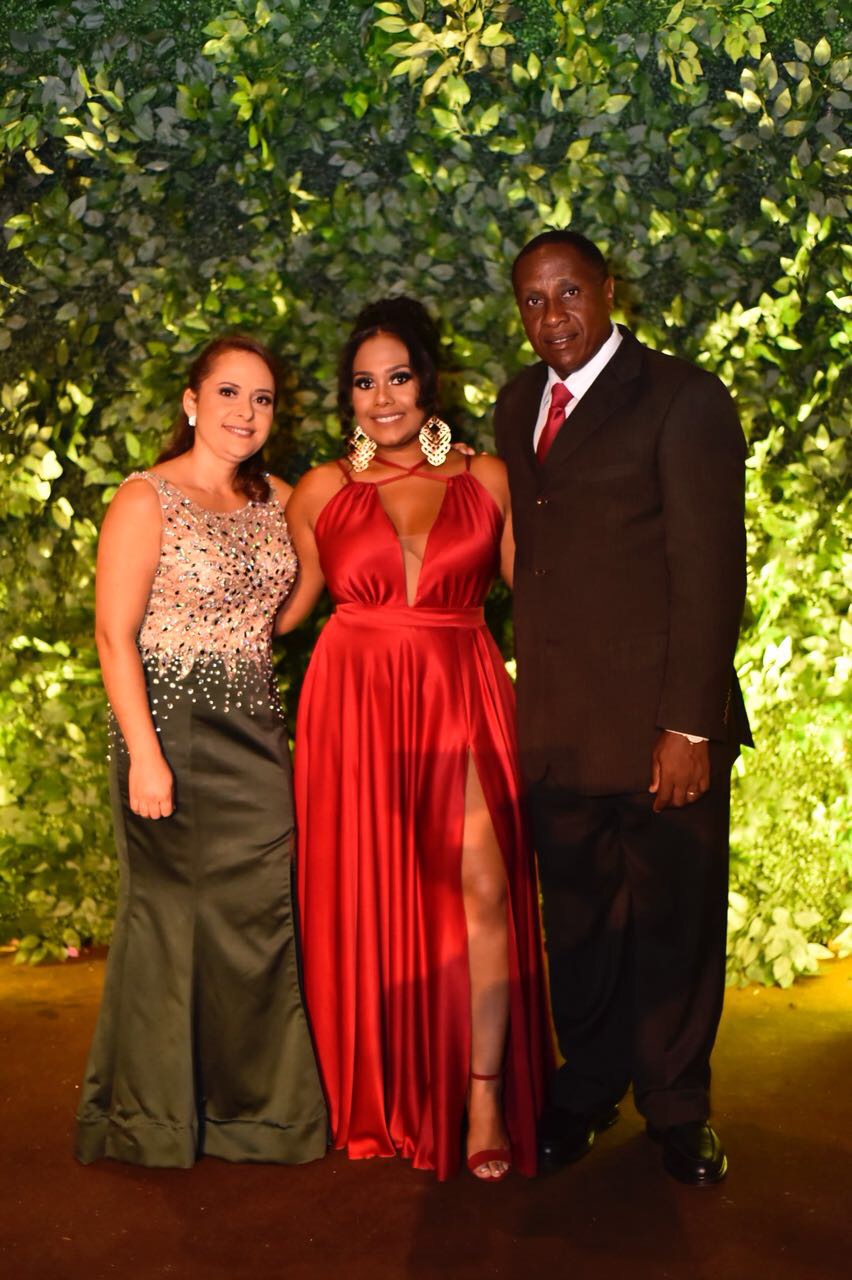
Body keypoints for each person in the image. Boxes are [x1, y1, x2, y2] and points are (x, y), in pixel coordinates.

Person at [494, 230, 751, 1186]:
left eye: (568, 293)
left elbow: (710, 569)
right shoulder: (518, 402)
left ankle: (678, 1105)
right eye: (532, 300)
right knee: (581, 924)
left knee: (676, 921)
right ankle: (589, 1085)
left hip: (659, 729)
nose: (551, 315)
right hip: (558, 728)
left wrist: (689, 724)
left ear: (607, 289)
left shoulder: (684, 397)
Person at [279, 297, 549, 1181]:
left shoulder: (493, 479)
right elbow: (289, 610)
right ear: (348, 397)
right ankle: (378, 1090)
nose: (382, 398)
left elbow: (542, 613)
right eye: (363, 382)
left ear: (428, 381)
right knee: (369, 897)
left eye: (397, 377)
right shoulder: (320, 490)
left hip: (463, 690)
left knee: (482, 890)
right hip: (352, 706)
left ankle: (480, 1093)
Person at [74, 336, 328, 1168]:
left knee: (257, 923)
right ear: (191, 402)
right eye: (228, 393)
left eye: (261, 400)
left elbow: (290, 606)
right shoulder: (145, 498)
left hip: (254, 732)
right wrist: (146, 758)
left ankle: (256, 1116)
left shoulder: (280, 498)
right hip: (169, 730)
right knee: (167, 921)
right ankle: (148, 1119)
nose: (244, 413)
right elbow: (114, 638)